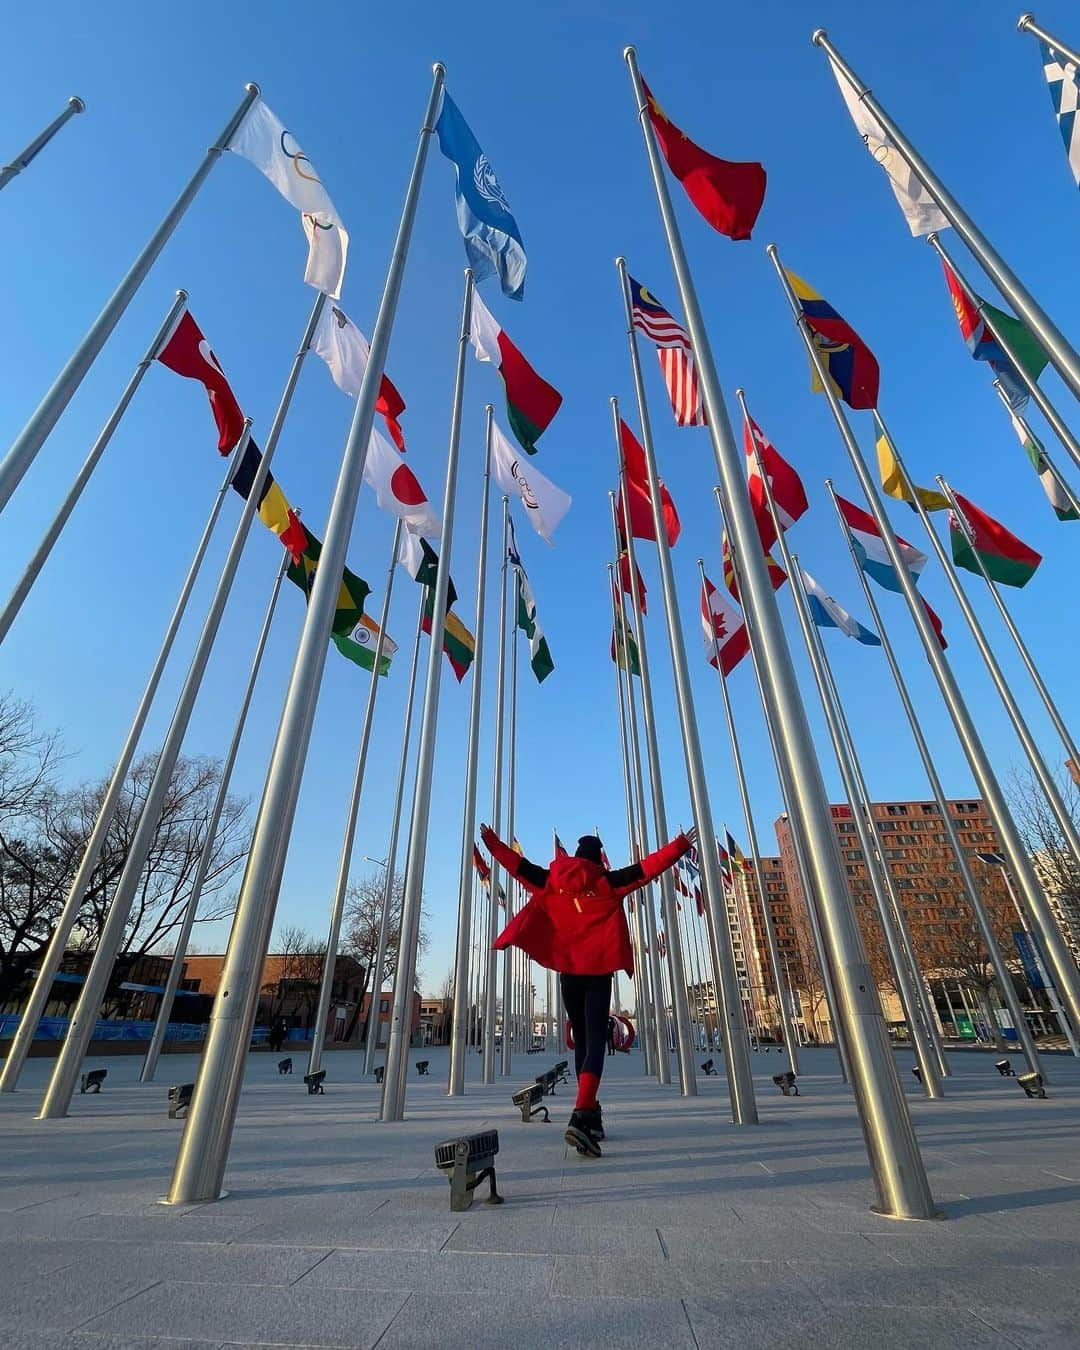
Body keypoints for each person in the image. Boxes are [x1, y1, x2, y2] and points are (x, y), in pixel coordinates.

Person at [480, 823, 695, 1158]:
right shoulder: (607, 882)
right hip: (597, 974)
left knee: (582, 1039)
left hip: (568, 975)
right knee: (595, 1042)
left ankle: (590, 1114)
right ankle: (582, 1114)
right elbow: (649, 868)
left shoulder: (551, 880)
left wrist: (492, 843)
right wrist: (680, 845)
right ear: (598, 860)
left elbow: (516, 867)